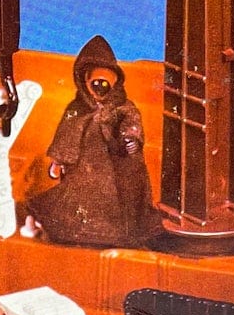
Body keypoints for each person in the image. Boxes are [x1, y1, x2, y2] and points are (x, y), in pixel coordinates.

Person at [26, 35, 164, 248]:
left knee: (120, 203)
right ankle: (75, 233)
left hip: (116, 168)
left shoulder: (122, 107)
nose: (100, 89)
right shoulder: (77, 109)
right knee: (75, 200)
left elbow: (131, 123)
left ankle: (119, 235)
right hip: (84, 169)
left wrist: (130, 138)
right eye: (95, 84)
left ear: (114, 82)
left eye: (105, 84)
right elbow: (66, 134)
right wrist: (58, 161)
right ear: (85, 82)